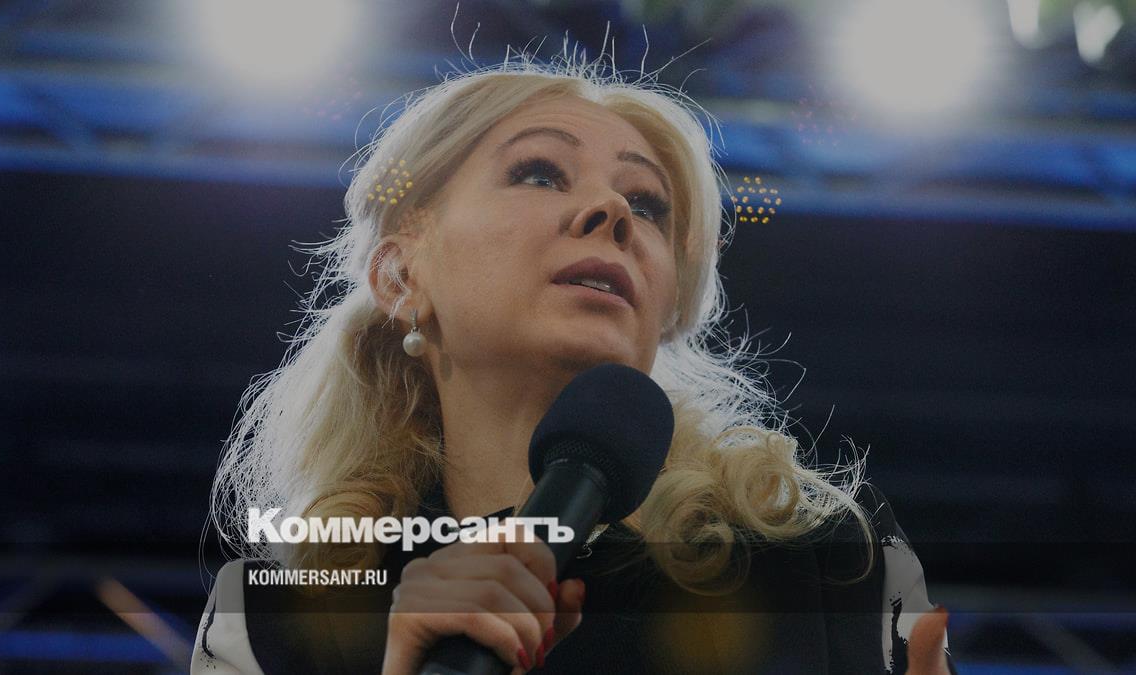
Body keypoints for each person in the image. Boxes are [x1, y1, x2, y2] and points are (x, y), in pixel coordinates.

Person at [190, 54, 955, 674]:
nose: (614, 212)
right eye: (539, 173)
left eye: (647, 204)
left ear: (668, 309)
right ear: (400, 275)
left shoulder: (837, 567)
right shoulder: (268, 624)